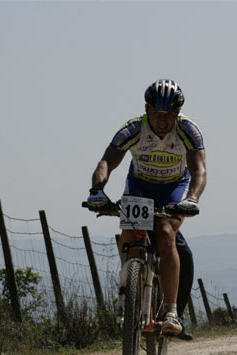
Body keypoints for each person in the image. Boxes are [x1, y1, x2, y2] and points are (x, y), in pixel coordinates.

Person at [87, 79, 206, 336]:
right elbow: (107, 161)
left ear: (177, 114)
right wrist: (97, 190)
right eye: (157, 114)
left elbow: (199, 169)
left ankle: (172, 312)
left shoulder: (188, 129)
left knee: (165, 232)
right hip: (140, 186)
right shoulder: (132, 128)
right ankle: (127, 292)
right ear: (146, 109)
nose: (163, 121)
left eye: (169, 115)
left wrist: (193, 198)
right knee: (130, 233)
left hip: (174, 188)